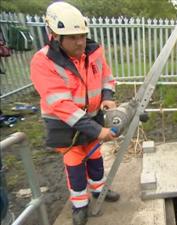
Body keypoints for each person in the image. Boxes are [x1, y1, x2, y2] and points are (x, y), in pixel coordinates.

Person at [30, 2, 119, 225]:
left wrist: (107, 96)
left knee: (95, 156)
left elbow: (105, 76)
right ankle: (80, 205)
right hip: (64, 125)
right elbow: (62, 105)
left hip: (92, 117)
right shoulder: (43, 62)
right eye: (72, 37)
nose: (80, 42)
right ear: (54, 35)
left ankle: (99, 190)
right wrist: (98, 130)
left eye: (82, 35)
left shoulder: (94, 51)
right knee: (75, 162)